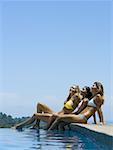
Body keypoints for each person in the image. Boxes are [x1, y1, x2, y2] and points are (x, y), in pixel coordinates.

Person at [14, 85, 81, 129]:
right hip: (57, 113)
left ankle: (20, 126)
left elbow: (79, 106)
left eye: (73, 88)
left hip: (57, 117)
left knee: (35, 115)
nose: (71, 88)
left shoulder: (76, 96)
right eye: (71, 87)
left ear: (77, 90)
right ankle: (37, 124)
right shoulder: (70, 97)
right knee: (39, 104)